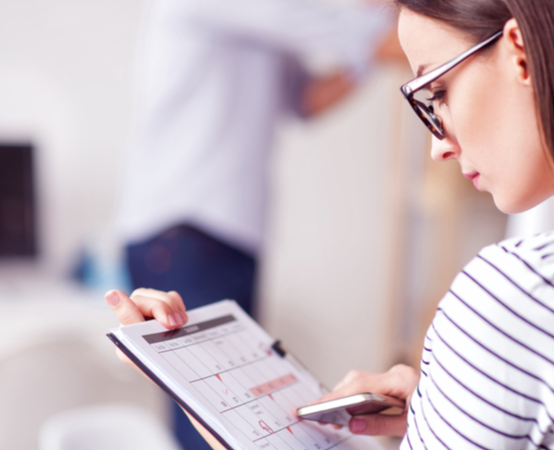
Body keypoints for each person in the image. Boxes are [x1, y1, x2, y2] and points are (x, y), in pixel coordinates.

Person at [106, 0, 554, 447]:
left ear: (522, 53)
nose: (439, 146)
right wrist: (455, 410)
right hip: (184, 222)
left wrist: (222, 418)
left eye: (437, 92)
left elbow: (340, 58)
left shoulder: (516, 299)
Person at [114, 0, 402, 448]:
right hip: (185, 232)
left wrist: (374, 46)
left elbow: (307, 100)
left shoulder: (269, 18)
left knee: (223, 423)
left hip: (227, 238)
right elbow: (371, 35)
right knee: (226, 428)